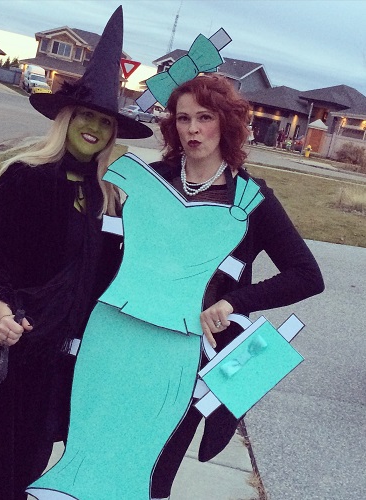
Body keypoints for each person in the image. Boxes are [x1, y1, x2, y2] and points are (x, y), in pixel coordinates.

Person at [0, 7, 152, 500]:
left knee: (35, 460)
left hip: (68, 356)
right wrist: (2, 313)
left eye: (105, 122)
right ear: (67, 117)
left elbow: (109, 277)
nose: (95, 128)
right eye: (87, 116)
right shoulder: (25, 177)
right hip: (19, 341)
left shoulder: (108, 198)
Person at [143, 74, 324, 500]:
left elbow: (306, 275)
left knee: (155, 474)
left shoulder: (251, 198)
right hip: (139, 339)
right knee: (114, 453)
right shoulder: (153, 181)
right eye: (183, 118)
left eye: (205, 118)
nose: (192, 129)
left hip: (197, 356)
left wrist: (233, 301)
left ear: (225, 123)